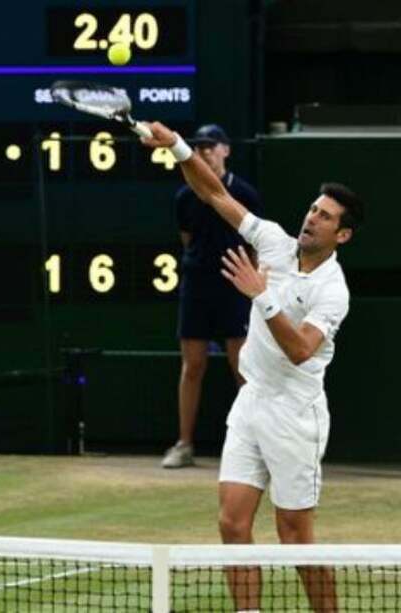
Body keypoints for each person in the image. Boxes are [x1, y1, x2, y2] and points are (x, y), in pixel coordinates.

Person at [142, 121, 364, 613]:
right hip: (252, 401)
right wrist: (176, 146)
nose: (312, 218)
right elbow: (214, 193)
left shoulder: (333, 291)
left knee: (295, 538)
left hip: (295, 415)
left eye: (325, 216)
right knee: (232, 524)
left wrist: (262, 297)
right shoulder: (275, 243)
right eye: (313, 209)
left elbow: (301, 350)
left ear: (342, 234)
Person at [162, 124, 262, 469]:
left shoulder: (245, 193)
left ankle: (255, 445)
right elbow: (187, 240)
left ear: (225, 150)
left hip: (234, 288)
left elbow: (255, 247)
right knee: (192, 366)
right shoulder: (184, 197)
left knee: (243, 367)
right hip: (197, 287)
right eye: (200, 146)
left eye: (211, 145)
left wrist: (253, 287)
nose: (205, 151)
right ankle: (184, 444)